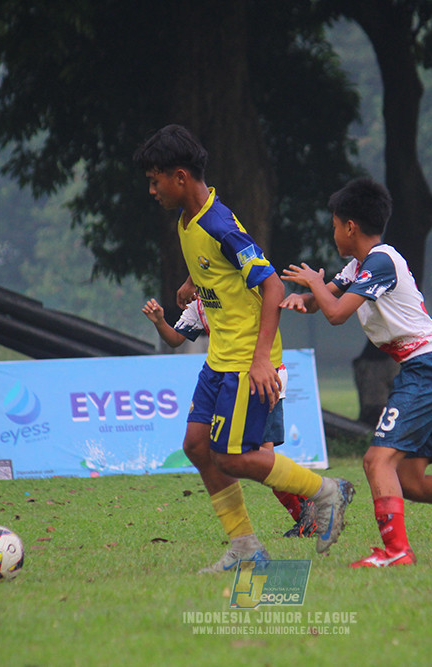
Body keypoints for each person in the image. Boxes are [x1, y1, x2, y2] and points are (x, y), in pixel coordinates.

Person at [133, 124, 351, 573]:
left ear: (179, 177)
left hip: (247, 360)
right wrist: (194, 280)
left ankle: (327, 491)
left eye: (155, 180)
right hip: (220, 359)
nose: (150, 190)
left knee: (232, 456)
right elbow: (218, 268)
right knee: (196, 445)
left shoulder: (219, 223)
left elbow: (271, 287)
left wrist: (259, 360)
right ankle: (246, 546)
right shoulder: (188, 221)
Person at [280, 177, 432, 567]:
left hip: (427, 371)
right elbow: (324, 300)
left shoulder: (381, 261)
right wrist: (304, 295)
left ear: (350, 227)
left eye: (333, 225)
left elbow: (336, 313)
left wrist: (315, 285)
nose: (332, 232)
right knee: (410, 482)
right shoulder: (361, 266)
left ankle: (396, 552)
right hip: (429, 369)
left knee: (376, 462)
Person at [141, 297, 317, 537]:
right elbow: (175, 339)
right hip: (226, 381)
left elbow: (271, 296)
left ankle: (315, 504)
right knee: (241, 456)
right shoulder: (201, 304)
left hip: (260, 377)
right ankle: (310, 509)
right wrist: (160, 321)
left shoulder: (237, 289)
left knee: (259, 457)